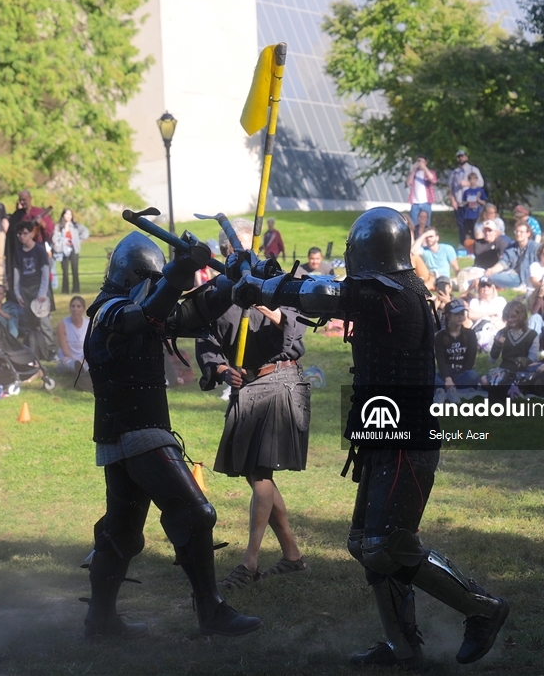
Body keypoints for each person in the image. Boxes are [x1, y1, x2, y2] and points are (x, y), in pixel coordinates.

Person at [230, 208, 509, 667]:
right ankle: (403, 647)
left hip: (407, 438)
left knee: (386, 546)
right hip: (385, 433)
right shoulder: (396, 290)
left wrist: (262, 287)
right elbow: (326, 291)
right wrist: (264, 276)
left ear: (367, 251)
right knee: (365, 543)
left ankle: (484, 608)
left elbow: (326, 293)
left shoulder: (389, 294)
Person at [82, 230, 261, 639]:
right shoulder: (109, 309)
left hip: (124, 436)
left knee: (122, 533)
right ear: (135, 277)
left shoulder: (142, 306)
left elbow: (194, 311)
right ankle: (211, 610)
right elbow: (141, 316)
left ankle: (100, 621)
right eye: (154, 279)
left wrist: (232, 279)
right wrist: (181, 268)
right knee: (196, 514)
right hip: (138, 433)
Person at [196, 219, 309, 591]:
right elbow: (207, 340)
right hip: (246, 384)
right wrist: (221, 368)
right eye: (231, 250)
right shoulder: (215, 291)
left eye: (244, 249)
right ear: (224, 253)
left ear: (254, 247)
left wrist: (261, 300)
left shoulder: (275, 280)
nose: (238, 256)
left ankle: (249, 562)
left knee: (260, 473)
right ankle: (292, 554)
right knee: (254, 473)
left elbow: (294, 324)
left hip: (280, 379)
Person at [13, 220, 54, 359]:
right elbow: (16, 272)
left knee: (43, 321)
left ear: (31, 233)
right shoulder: (18, 251)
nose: (22, 237)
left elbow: (45, 272)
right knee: (29, 321)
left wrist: (42, 293)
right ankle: (34, 349)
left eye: (24, 233)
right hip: (25, 289)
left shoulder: (39, 250)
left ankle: (50, 349)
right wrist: (17, 293)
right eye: (19, 234)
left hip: (39, 289)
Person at [483, 300, 539, 386]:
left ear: (522, 316)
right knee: (484, 380)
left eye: (513, 317)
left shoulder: (532, 335)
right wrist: (497, 346)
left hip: (523, 371)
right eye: (507, 317)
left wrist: (523, 361)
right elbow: (492, 360)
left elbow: (533, 358)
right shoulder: (502, 333)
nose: (510, 320)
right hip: (504, 369)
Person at [435, 298, 480, 390]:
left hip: (463, 372)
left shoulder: (470, 334)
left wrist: (454, 380)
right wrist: (447, 378)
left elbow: (470, 360)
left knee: (473, 376)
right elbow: (441, 361)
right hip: (446, 373)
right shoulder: (440, 336)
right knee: (430, 377)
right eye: (456, 314)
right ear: (448, 316)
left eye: (462, 313)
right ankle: (453, 388)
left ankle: (448, 388)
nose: (460, 316)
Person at [484, 221, 539, 290]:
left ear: (528, 234)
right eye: (517, 231)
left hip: (523, 278)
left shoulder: (535, 248)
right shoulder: (512, 246)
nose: (518, 234)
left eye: (521, 232)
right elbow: (503, 262)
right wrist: (492, 270)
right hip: (510, 273)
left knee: (487, 278)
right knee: (486, 275)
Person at [459, 222, 510, 291]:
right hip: (476, 268)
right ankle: (451, 283)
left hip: (490, 271)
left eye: (490, 231)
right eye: (485, 231)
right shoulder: (478, 243)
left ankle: (464, 285)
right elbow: (467, 243)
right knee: (463, 273)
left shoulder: (500, 243)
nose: (487, 233)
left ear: (495, 232)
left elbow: (504, 260)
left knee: (472, 276)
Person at [448, 147, 484, 246]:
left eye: (462, 156)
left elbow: (481, 183)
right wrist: (453, 201)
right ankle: (463, 244)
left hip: (472, 204)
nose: (460, 158)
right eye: (458, 156)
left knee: (473, 224)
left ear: (466, 157)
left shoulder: (474, 169)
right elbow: (451, 188)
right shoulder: (454, 172)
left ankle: (476, 244)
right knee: (461, 225)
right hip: (459, 203)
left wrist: (467, 183)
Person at [52, 208, 89, 295]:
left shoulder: (76, 225)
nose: (68, 216)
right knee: (65, 271)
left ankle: (76, 289)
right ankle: (65, 290)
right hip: (63, 250)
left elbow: (85, 232)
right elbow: (54, 238)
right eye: (66, 214)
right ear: (63, 215)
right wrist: (63, 241)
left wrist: (77, 240)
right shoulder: (58, 227)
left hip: (74, 250)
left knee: (74, 270)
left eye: (70, 214)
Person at [468, 278, 506, 351]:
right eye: (483, 286)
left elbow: (508, 316)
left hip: (500, 326)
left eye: (488, 286)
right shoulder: (475, 302)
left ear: (493, 288)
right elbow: (471, 315)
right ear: (479, 289)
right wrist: (489, 314)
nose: (485, 288)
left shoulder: (500, 300)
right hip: (483, 329)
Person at [56, 295, 88, 377]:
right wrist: (74, 360)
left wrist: (84, 359)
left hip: (84, 358)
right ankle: (78, 369)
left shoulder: (89, 325)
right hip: (69, 357)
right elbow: (64, 349)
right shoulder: (62, 325)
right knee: (68, 362)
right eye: (73, 306)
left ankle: (81, 369)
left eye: (78, 306)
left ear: (83, 309)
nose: (75, 309)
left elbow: (90, 347)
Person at [406, 157, 437, 229]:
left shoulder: (430, 172)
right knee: (413, 224)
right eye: (418, 161)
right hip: (415, 203)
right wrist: (414, 169)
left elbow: (433, 180)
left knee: (426, 223)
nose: (420, 163)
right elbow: (408, 182)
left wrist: (425, 168)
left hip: (426, 202)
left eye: (422, 162)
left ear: (426, 163)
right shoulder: (413, 173)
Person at [460, 172, 488, 243]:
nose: (472, 181)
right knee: (468, 233)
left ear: (476, 180)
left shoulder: (480, 191)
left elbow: (484, 203)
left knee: (478, 231)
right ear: (468, 180)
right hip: (468, 216)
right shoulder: (466, 191)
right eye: (470, 179)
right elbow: (463, 203)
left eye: (474, 179)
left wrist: (478, 200)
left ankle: (479, 245)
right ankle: (468, 247)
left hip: (478, 215)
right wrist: (468, 201)